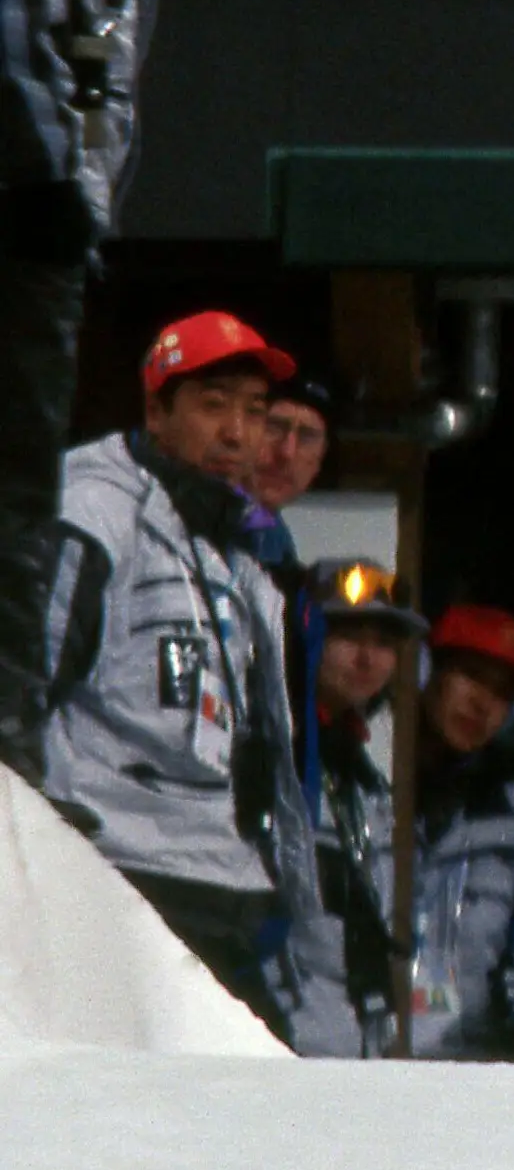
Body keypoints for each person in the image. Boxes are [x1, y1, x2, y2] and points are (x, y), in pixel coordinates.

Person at [39, 312, 321, 1040]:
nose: (238, 433)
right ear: (156, 410)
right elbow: (21, 692)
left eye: (255, 412)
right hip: (118, 875)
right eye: (214, 403)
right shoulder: (91, 512)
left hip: (225, 879)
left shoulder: (242, 546)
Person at [1, 0, 153, 790]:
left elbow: (112, 61)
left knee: (19, 488)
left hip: (37, 202)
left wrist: (88, 193)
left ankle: (7, 735)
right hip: (41, 194)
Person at [407, 603, 514, 1060]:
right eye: (470, 675)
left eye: (502, 693)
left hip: (469, 1078)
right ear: (425, 672)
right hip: (350, 1068)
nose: (482, 704)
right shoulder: (362, 793)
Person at [280, 557, 423, 1058]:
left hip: (355, 1043)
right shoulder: (275, 755)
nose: (367, 659)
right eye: (346, 637)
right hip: (288, 1039)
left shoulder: (363, 777)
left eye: (384, 643)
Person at [243, 370, 337, 571]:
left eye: (306, 437)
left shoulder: (274, 534)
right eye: (273, 427)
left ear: (320, 458)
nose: (286, 452)